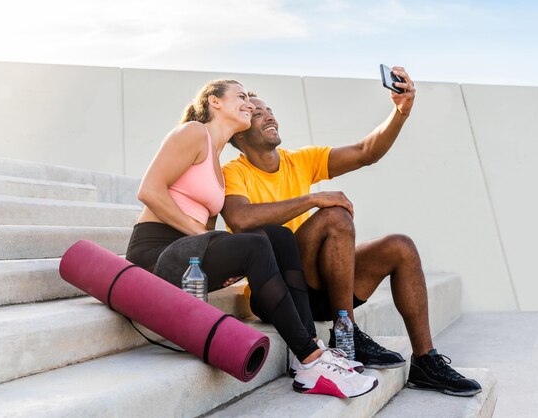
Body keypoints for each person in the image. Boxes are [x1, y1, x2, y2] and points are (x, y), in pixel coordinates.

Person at [221, 67, 482, 397]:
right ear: (239, 133)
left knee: (400, 247)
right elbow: (240, 217)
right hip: (278, 289)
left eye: (270, 110)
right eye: (257, 114)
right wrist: (313, 198)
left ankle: (425, 362)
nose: (269, 117)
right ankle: (346, 333)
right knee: (333, 216)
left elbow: (365, 152)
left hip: (321, 283)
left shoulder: (299, 160)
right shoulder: (233, 172)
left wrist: (401, 111)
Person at [124, 79, 377, 398]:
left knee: (279, 236)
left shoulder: (217, 160)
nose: (249, 103)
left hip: (189, 255)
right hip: (155, 252)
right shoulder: (192, 133)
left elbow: (207, 222)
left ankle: (310, 348)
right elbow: (149, 190)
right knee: (256, 243)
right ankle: (311, 361)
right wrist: (207, 239)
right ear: (215, 102)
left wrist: (219, 254)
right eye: (241, 97)